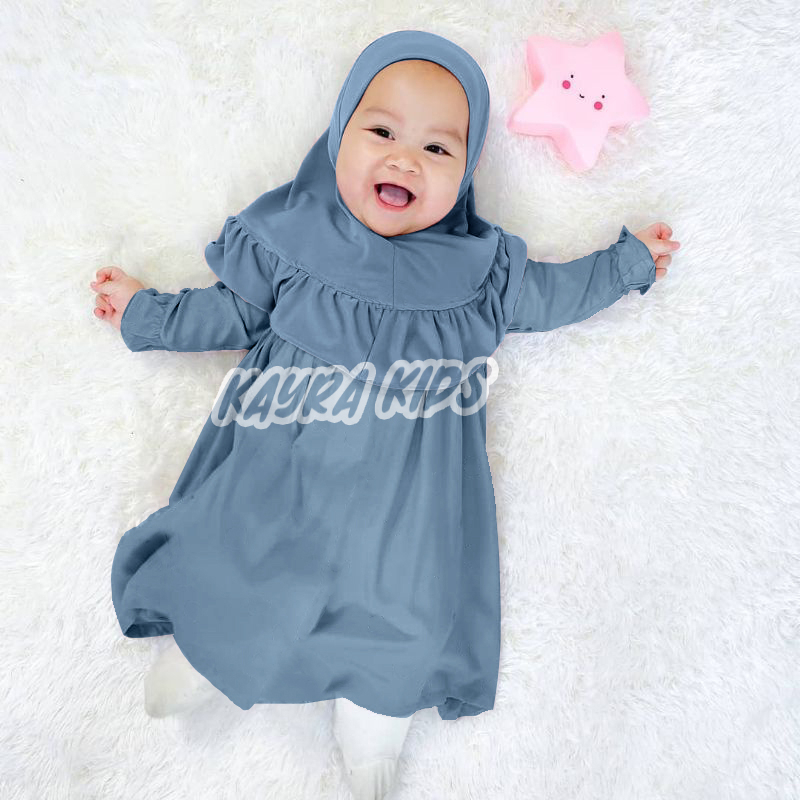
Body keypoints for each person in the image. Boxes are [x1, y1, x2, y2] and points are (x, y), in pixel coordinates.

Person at [89, 30, 680, 800]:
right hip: (283, 472)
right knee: (239, 551)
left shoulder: (479, 273)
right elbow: (228, 313)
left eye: (438, 149)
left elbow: (552, 294)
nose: (405, 160)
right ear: (338, 136)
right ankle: (206, 650)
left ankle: (375, 722)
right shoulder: (294, 244)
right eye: (382, 132)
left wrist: (624, 265)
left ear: (465, 173)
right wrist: (146, 313)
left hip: (411, 502)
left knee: (408, 604)